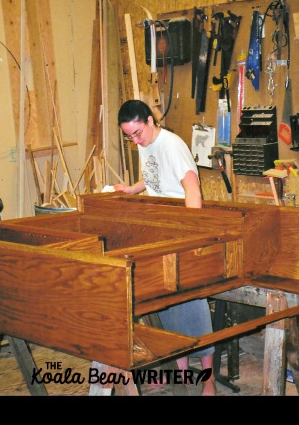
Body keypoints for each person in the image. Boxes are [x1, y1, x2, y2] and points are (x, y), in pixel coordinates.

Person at [112, 99, 216, 396]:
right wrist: (132, 189)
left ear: (149, 120)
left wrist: (191, 235)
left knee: (193, 309)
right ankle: (182, 375)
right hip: (158, 231)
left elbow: (192, 187)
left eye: (137, 133)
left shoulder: (172, 144)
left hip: (180, 229)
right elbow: (152, 178)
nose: (135, 140)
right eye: (129, 136)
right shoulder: (145, 144)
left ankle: (207, 381)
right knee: (167, 309)